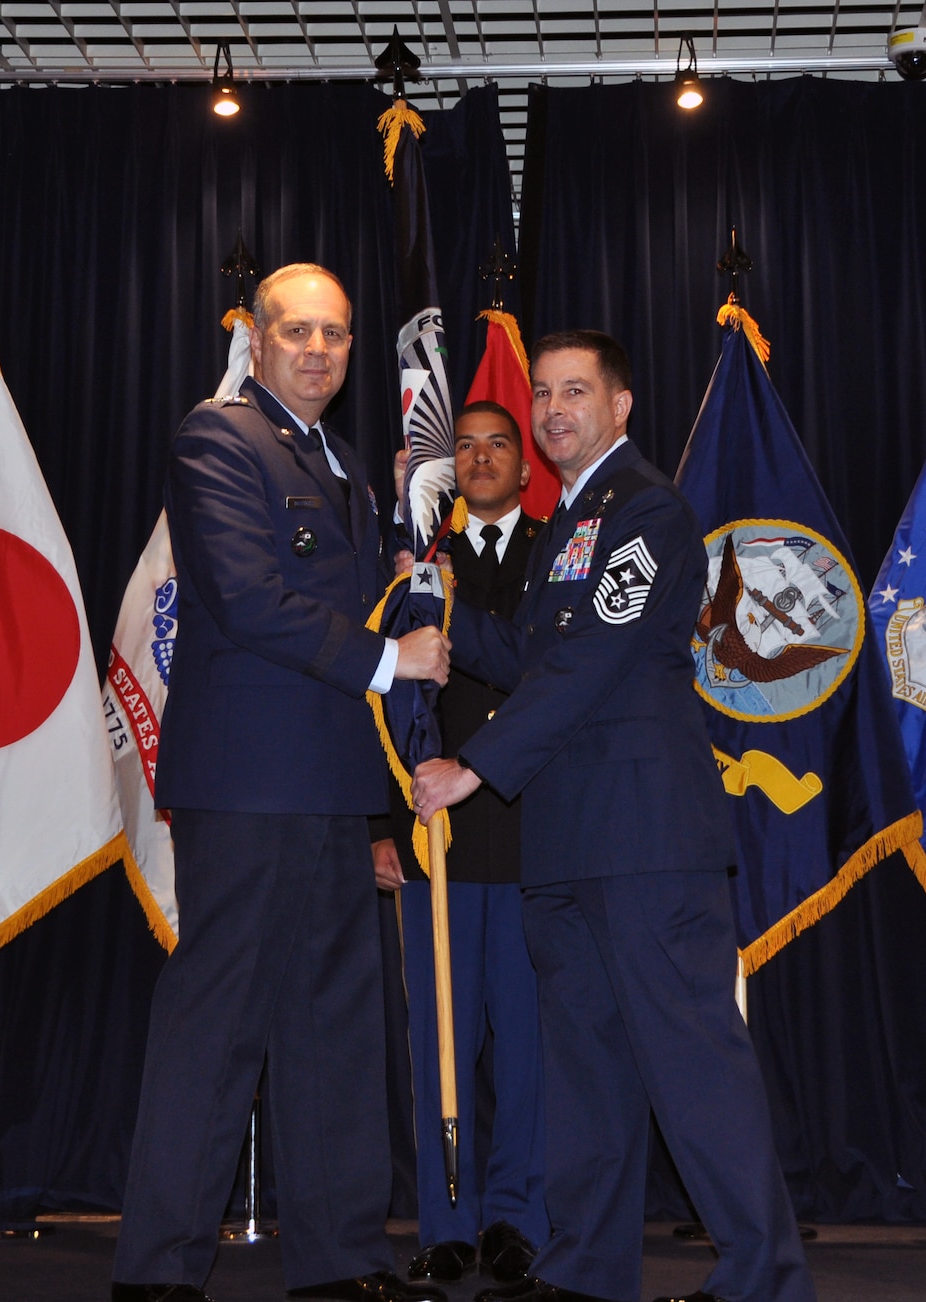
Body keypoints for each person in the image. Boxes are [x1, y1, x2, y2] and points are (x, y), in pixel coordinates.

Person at [412, 332, 814, 1302]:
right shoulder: (567, 523)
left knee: (689, 1062)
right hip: (565, 841)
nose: (552, 410)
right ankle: (586, 1271)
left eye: (574, 392)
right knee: (582, 1071)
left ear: (620, 405)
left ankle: (763, 1277)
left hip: (644, 838)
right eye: (542, 392)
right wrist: (434, 602)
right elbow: (524, 653)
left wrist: (475, 765)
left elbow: (590, 658)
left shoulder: (643, 509)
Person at [111, 263, 453, 1302]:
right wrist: (393, 661)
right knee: (216, 1027)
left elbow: (354, 600)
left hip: (330, 784)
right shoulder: (216, 437)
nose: (317, 350)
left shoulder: (342, 461)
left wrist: (411, 557)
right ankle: (160, 1271)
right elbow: (252, 600)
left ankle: (339, 1259)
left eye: (336, 335)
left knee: (333, 1028)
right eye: (296, 331)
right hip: (249, 785)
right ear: (254, 340)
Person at [374, 401, 550, 1287]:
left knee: (526, 1047)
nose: (480, 459)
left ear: (526, 468)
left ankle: (518, 1220)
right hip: (434, 838)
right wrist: (381, 824)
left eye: (497, 446)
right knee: (437, 1042)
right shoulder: (410, 561)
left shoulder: (562, 555)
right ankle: (448, 1217)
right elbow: (371, 700)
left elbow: (549, 671)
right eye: (466, 447)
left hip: (531, 833)